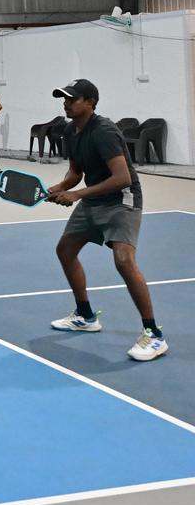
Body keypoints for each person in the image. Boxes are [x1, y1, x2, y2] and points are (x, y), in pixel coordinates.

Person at [44, 79, 167, 361]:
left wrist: (76, 195)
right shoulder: (70, 130)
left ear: (90, 102)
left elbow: (122, 178)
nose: (66, 103)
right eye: (63, 99)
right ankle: (85, 316)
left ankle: (153, 334)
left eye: (72, 99)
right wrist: (59, 188)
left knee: (123, 260)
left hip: (121, 199)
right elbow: (75, 172)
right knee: (65, 250)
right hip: (93, 199)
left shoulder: (105, 131)